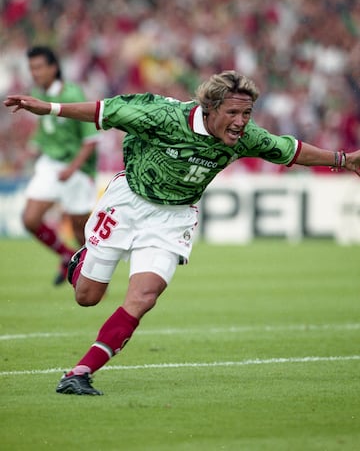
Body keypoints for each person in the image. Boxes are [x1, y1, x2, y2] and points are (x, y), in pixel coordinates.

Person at [4, 70, 360, 395]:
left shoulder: (245, 137)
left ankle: (80, 372)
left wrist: (343, 160)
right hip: (128, 201)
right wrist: (48, 108)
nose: (241, 123)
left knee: (144, 296)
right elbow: (103, 111)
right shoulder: (160, 114)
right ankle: (83, 259)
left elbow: (291, 150)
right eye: (233, 114)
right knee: (87, 297)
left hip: (173, 219)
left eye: (247, 114)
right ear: (209, 108)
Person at [19, 45, 99, 285]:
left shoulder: (73, 95)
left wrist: (73, 168)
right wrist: (32, 147)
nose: (35, 73)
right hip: (51, 165)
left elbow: (91, 139)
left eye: (39, 67)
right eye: (31, 68)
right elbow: (45, 131)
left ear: (54, 68)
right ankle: (66, 256)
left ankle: (93, 279)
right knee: (30, 219)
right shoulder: (37, 92)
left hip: (77, 170)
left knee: (80, 231)